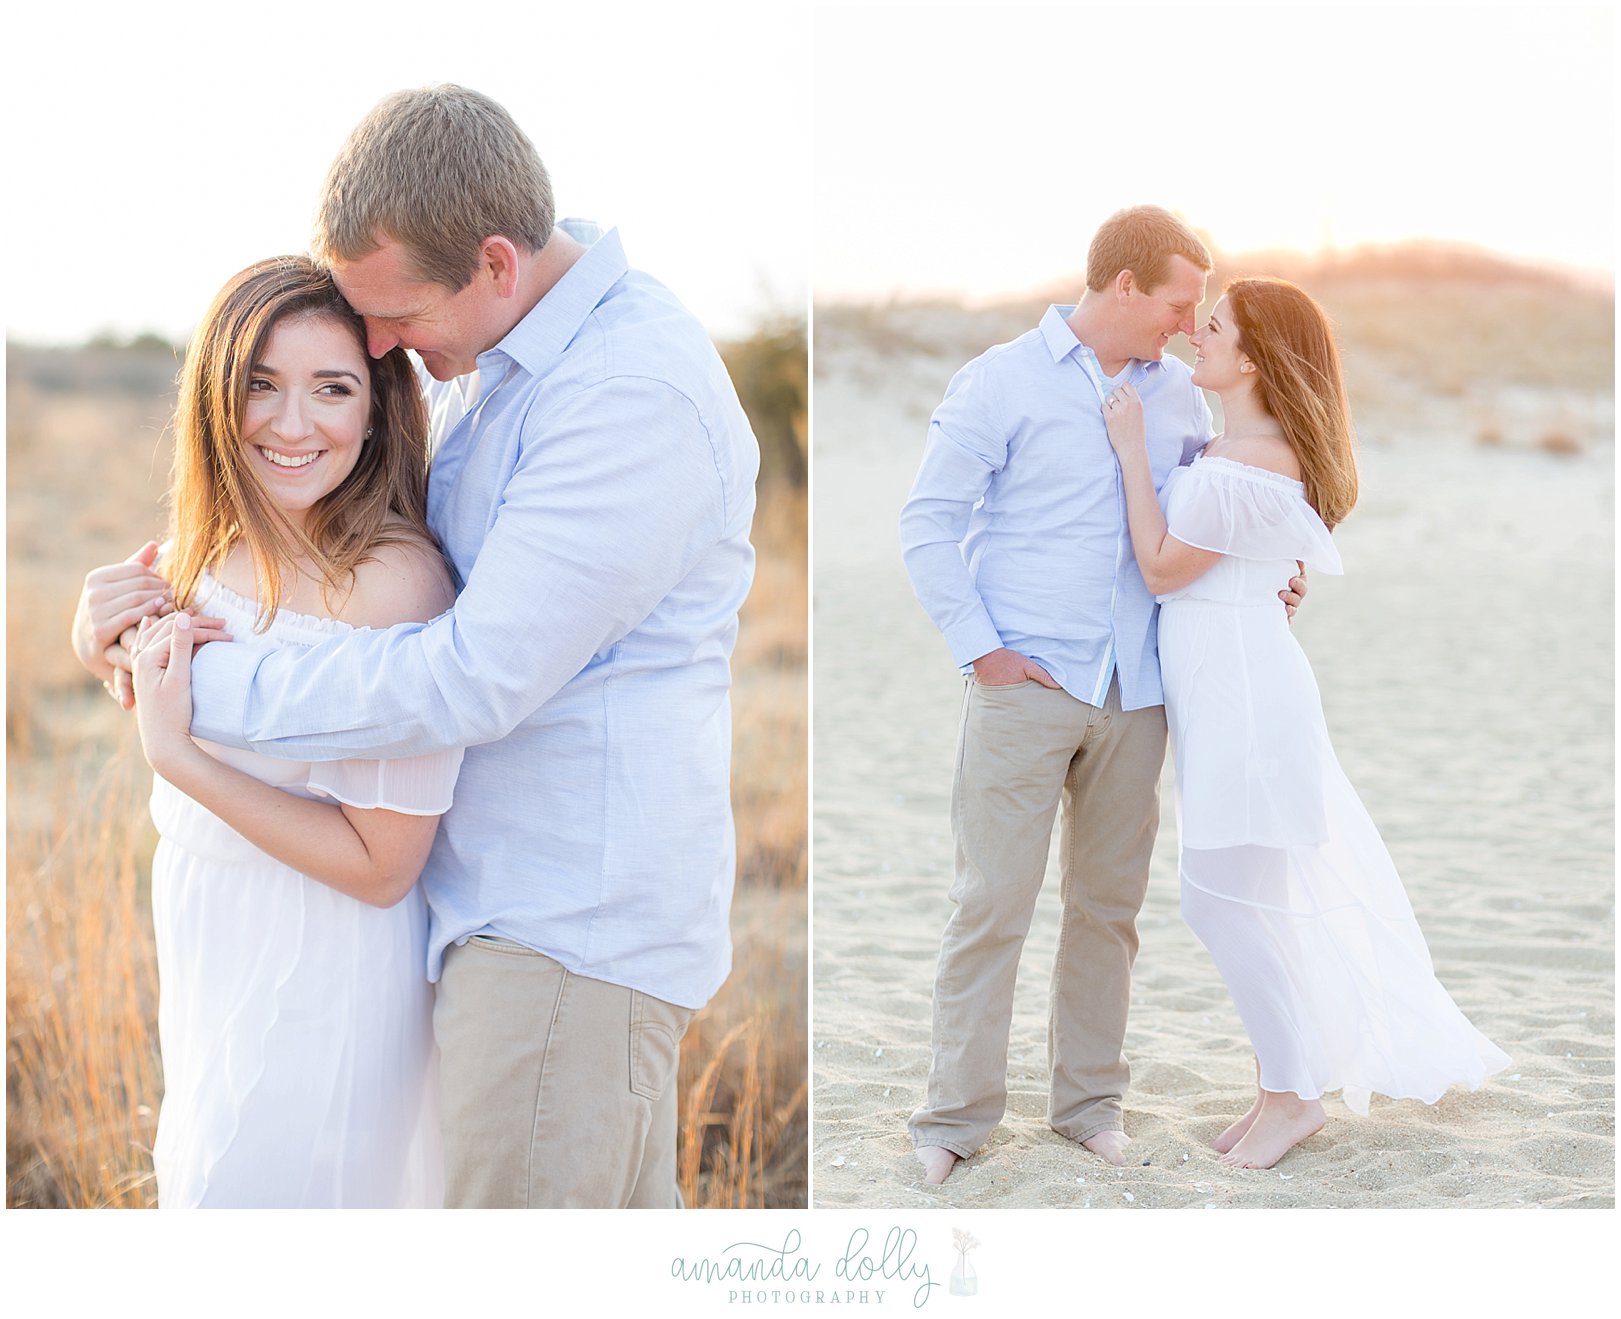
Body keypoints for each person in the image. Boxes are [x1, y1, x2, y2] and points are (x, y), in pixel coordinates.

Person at [75, 85, 758, 1209]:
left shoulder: (626, 392)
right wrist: (130, 633)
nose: (382, 348)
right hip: (480, 915)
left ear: (495, 262)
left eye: (390, 322)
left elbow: (467, 676)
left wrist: (191, 692)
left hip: (562, 928)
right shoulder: (501, 361)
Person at [899, 206, 1304, 1183]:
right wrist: (983, 652)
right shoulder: (998, 381)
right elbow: (926, 523)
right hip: (1025, 682)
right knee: (991, 900)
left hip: (1142, 689)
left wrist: (1272, 574)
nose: (1185, 320)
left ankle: (1086, 1106)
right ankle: (954, 1117)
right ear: (1123, 285)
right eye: (1176, 300)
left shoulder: (1180, 400)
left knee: (1107, 909)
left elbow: (1196, 523)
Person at [1101, 276, 1509, 1168]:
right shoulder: (1240, 450)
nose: (1194, 338)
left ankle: (1291, 1097)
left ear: (1250, 356)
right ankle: (1278, 1088)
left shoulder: (1247, 463)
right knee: (1252, 900)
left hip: (1243, 692)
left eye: (1211, 328)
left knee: (1218, 900)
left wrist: (1131, 452)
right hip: (1233, 682)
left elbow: (1165, 569)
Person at [114, 255, 459, 1207]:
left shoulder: (395, 586)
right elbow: (169, 680)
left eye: (331, 388)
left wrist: (175, 758)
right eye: (260, 385)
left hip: (322, 953)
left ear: (379, 406)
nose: (292, 423)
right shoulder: (212, 540)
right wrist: (97, 634)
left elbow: (383, 866)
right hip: (206, 932)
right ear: (216, 398)